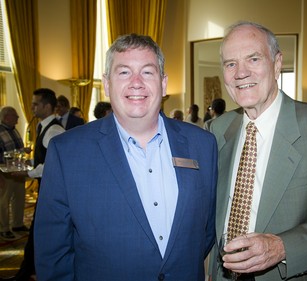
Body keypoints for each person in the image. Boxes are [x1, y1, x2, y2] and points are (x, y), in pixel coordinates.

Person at [34, 33, 218, 281]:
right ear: (107, 84)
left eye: (147, 72)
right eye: (123, 72)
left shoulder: (203, 145)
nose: (136, 82)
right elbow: (53, 254)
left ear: (163, 83)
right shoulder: (67, 152)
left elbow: (205, 232)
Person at [209, 21, 307, 281]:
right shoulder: (216, 129)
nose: (240, 73)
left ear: (277, 63)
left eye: (253, 59)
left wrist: (281, 247)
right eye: (230, 64)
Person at [1, 88, 65, 281]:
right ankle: (31, 271)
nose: (32, 108)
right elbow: (42, 159)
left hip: (53, 193)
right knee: (39, 234)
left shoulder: (54, 130)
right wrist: (27, 164)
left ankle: (29, 272)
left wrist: (27, 173)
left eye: (35, 104)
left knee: (41, 235)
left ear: (47, 106)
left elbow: (52, 165)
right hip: (46, 192)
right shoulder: (43, 127)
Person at [0, 107, 29, 240]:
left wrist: (23, 150)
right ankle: (4, 228)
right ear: (6, 117)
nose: (18, 119)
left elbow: (15, 150)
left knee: (19, 197)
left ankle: (18, 224)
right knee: (4, 200)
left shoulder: (13, 129)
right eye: (15, 116)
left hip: (17, 170)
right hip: (5, 171)